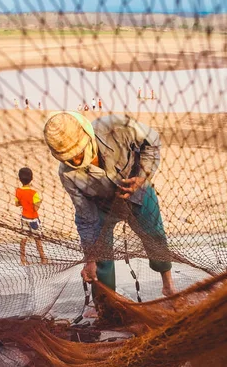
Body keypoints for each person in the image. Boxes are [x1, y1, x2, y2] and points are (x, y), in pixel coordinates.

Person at [43, 112, 176, 296]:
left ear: (88, 136)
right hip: (102, 207)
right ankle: (104, 303)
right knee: (100, 255)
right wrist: (90, 259)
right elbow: (86, 217)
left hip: (138, 191)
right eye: (68, 158)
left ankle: (168, 285)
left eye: (78, 152)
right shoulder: (67, 174)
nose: (75, 161)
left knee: (155, 236)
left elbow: (152, 141)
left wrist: (143, 177)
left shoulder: (116, 126)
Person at [15, 167, 47, 266]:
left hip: (24, 218)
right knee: (38, 239)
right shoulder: (34, 193)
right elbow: (35, 208)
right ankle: (43, 259)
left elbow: (17, 204)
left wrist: (24, 202)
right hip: (33, 219)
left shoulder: (18, 191)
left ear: (19, 178)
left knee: (23, 239)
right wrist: (40, 202)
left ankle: (22, 259)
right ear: (31, 178)